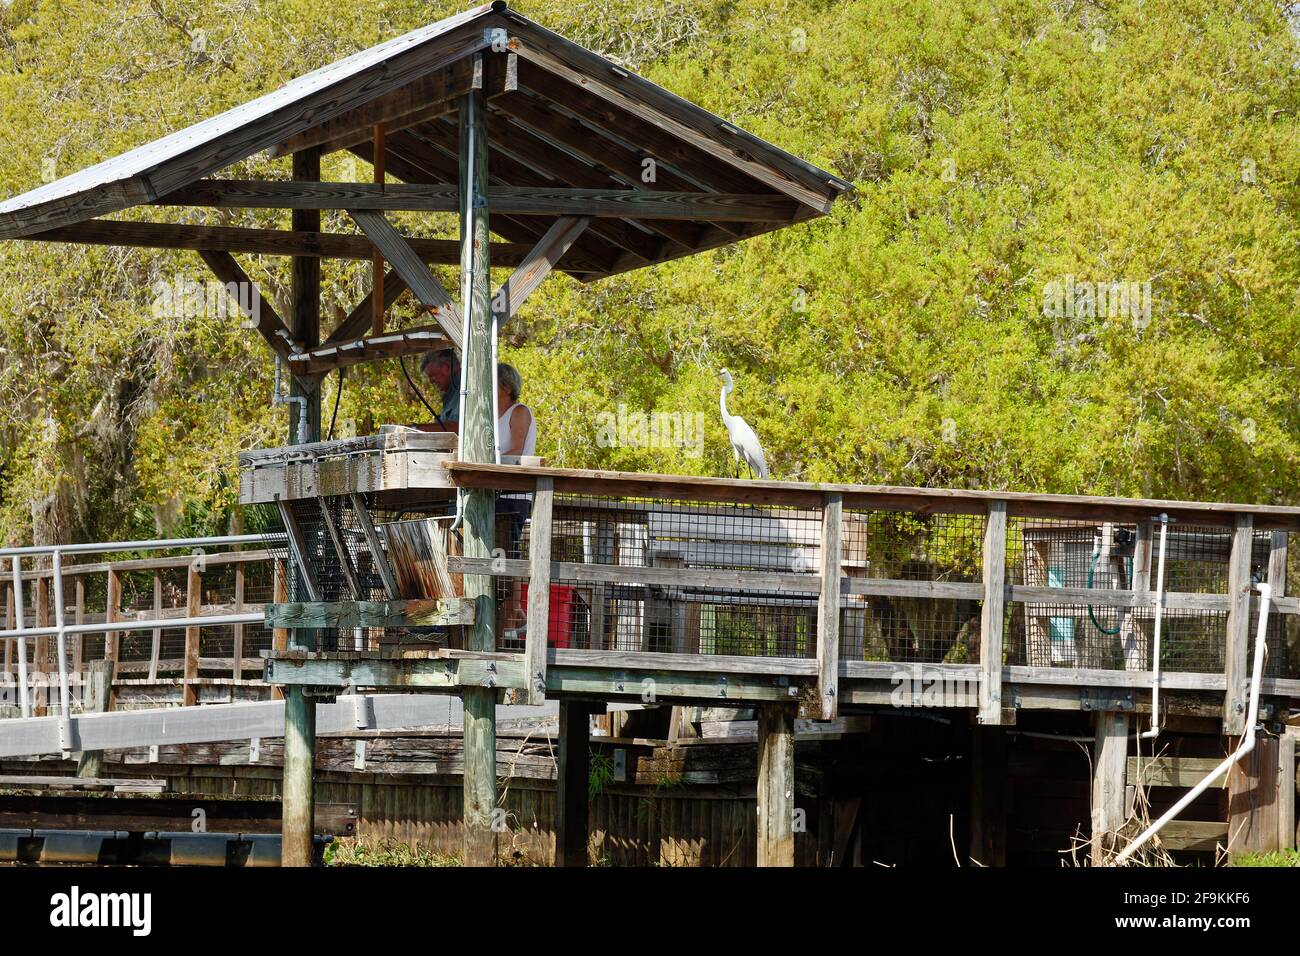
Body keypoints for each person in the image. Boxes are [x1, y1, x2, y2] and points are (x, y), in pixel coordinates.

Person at [414, 349, 460, 432]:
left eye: (432, 376)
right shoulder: (450, 395)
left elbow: (457, 428)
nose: (431, 381)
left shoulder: (464, 389)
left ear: (446, 368)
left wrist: (414, 429)